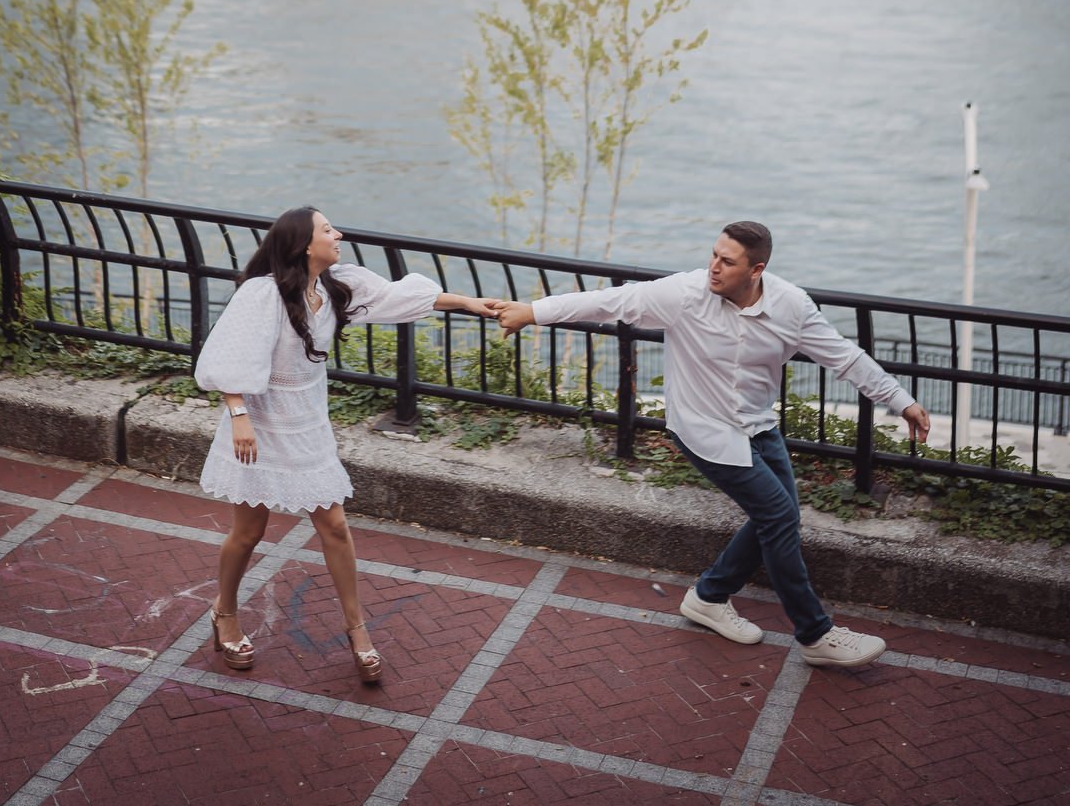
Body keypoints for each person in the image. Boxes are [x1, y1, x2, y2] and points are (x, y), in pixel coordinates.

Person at [494, 220, 930, 669]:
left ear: (756, 269)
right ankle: (815, 634)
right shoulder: (684, 294)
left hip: (758, 425)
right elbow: (610, 301)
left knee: (776, 516)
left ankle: (708, 597)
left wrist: (901, 400)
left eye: (727, 261)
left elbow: (844, 356)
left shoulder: (791, 306)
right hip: (704, 430)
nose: (713, 268)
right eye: (713, 255)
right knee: (778, 516)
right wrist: (532, 312)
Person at [195, 206, 498, 683]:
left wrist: (468, 303)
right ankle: (225, 612)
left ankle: (358, 630)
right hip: (258, 418)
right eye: (327, 229)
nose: (338, 234)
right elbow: (227, 354)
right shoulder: (262, 293)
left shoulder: (336, 285)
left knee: (334, 526)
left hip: (307, 419)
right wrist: (238, 417)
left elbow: (398, 297)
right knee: (249, 531)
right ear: (303, 244)